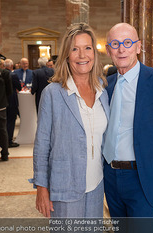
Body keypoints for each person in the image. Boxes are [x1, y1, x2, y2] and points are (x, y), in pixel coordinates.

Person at [103, 23, 153, 231]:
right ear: (108, 49)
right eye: (115, 44)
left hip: (143, 179)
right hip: (110, 178)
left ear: (138, 47)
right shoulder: (105, 85)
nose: (121, 49)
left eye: (127, 43)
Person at [31, 23, 109, 219]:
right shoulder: (53, 93)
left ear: (94, 53)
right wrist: (41, 188)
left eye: (87, 48)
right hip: (64, 187)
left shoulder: (102, 91)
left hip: (97, 187)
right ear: (67, 55)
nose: (82, 55)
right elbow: (42, 144)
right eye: (75, 49)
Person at [3, 59, 21, 148]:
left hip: (2, 101)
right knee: (11, 121)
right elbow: (19, 87)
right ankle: (9, 140)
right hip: (12, 100)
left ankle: (4, 140)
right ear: (11, 66)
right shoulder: (13, 75)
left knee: (4, 122)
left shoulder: (1, 74)